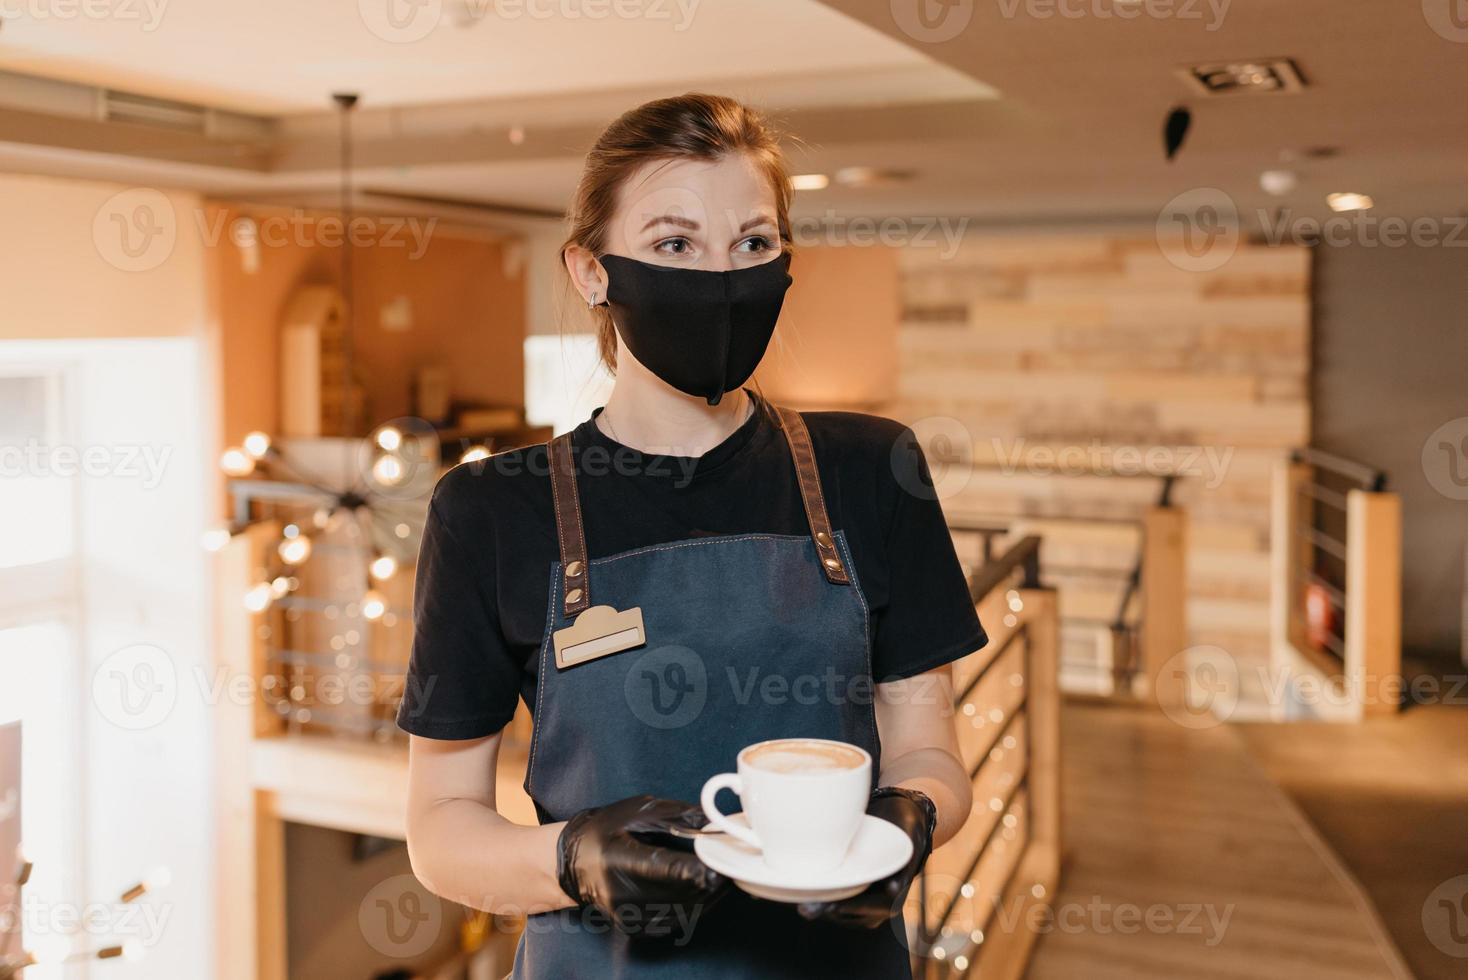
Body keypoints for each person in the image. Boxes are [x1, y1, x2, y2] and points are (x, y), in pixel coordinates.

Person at [398, 92, 987, 979]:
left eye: (752, 244)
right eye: (676, 244)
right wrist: (574, 859)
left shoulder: (872, 470)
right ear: (591, 272)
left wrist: (913, 817)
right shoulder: (491, 510)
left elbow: (928, 751)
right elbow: (441, 828)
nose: (720, 278)